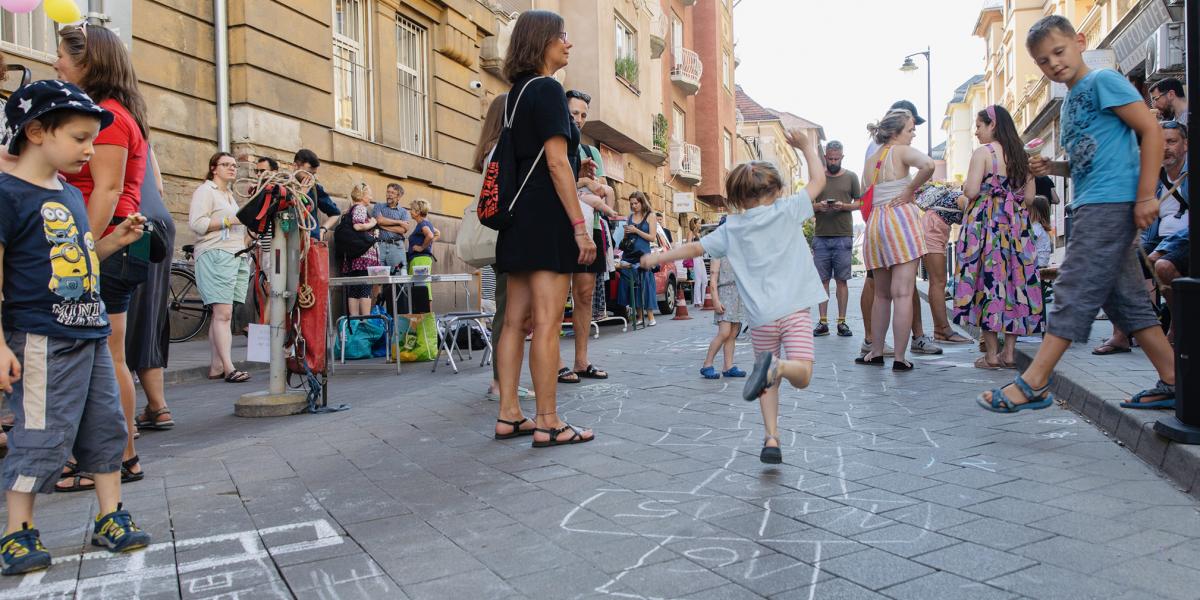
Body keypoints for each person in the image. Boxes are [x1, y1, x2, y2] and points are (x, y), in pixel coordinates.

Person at [980, 15, 1174, 412]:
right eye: (1043, 60)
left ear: (1080, 42)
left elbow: (1151, 130)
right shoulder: (1069, 102)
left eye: (1059, 51)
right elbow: (1090, 162)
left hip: (1109, 205)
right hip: (1092, 204)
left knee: (1072, 290)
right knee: (1126, 303)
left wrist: (1144, 197)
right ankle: (1175, 381)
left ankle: (1034, 382)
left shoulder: (1103, 81)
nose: (1053, 63)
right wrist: (1052, 167)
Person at [0, 80, 153, 575]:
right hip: (41, 336)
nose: (90, 150)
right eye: (80, 137)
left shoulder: (66, 191)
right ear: (37, 132)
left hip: (89, 331)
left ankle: (110, 516)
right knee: (40, 432)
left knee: (106, 427)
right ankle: (18, 531)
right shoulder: (7, 194)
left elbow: (79, 258)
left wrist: (114, 241)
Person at [643, 129, 825, 464]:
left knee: (766, 383)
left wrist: (658, 256)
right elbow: (818, 181)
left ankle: (771, 438)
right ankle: (779, 368)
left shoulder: (731, 228)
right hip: (794, 310)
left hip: (761, 317)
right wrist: (805, 147)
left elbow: (695, 248)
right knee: (802, 374)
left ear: (738, 198)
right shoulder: (788, 210)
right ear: (777, 190)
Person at [492, 10, 596, 447]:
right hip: (547, 216)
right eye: (562, 36)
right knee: (548, 322)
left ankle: (509, 414)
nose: (568, 43)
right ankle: (548, 421)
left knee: (514, 322)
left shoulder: (514, 95)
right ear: (542, 41)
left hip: (516, 218)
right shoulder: (549, 89)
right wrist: (579, 227)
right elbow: (556, 163)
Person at [56, 24, 150, 485]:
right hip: (116, 242)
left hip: (111, 241)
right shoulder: (115, 111)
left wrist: (82, 251)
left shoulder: (109, 115)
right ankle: (114, 455)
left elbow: (108, 190)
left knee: (108, 355)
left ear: (88, 62)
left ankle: (119, 457)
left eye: (63, 55)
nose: (56, 62)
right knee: (106, 355)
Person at [953, 105, 1044, 370]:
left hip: (987, 227)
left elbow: (971, 191)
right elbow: (1029, 199)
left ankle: (992, 355)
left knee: (987, 282)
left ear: (992, 124)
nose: (976, 131)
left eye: (979, 126)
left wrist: (965, 191)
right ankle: (1010, 354)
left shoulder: (984, 153)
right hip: (1016, 228)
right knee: (1015, 284)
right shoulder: (1022, 157)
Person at [1094, 119, 1188, 353]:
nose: (1165, 148)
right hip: (1159, 240)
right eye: (1160, 142)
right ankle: (1121, 335)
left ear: (1185, 144)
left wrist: (1164, 248)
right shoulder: (1155, 175)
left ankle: (1176, 329)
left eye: (1172, 142)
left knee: (1163, 266)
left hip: (1186, 241)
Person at [858, 109, 936, 371]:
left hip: (875, 224)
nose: (913, 135)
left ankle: (876, 351)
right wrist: (910, 189)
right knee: (902, 293)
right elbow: (929, 165)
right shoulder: (900, 151)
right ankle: (901, 357)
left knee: (881, 295)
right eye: (910, 129)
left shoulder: (871, 159)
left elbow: (865, 192)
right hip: (899, 220)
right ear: (895, 132)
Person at [473, 94, 536, 403]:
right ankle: (501, 382)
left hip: (500, 238)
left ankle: (502, 380)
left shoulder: (490, 149)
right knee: (509, 314)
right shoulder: (500, 149)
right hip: (506, 238)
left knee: (508, 311)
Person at [558, 88, 616, 384]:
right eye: (573, 114)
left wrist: (595, 186)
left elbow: (602, 188)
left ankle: (581, 361)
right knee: (556, 298)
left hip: (590, 227)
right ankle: (556, 362)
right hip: (561, 226)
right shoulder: (555, 143)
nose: (579, 120)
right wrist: (582, 182)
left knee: (584, 294)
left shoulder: (590, 151)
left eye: (583, 115)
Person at [189, 152, 252, 383]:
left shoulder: (229, 195)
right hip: (215, 253)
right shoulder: (206, 191)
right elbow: (197, 224)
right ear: (213, 168)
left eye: (234, 165)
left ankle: (216, 365)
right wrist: (229, 221)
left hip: (234, 254)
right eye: (226, 165)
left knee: (223, 313)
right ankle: (228, 367)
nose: (232, 168)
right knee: (223, 314)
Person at [128, 150, 176, 431]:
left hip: (130, 223)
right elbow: (158, 186)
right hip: (158, 225)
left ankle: (122, 419)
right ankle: (158, 407)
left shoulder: (102, 128)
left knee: (121, 318)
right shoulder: (143, 138)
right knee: (149, 315)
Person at [811, 140, 860, 337]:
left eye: (836, 159)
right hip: (821, 236)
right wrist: (819, 206)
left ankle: (842, 322)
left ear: (842, 157)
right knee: (822, 281)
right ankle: (823, 322)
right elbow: (806, 203)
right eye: (830, 159)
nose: (833, 162)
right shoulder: (817, 178)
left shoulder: (851, 177)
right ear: (825, 157)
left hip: (843, 236)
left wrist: (844, 206)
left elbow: (860, 202)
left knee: (842, 281)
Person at [699, 217, 746, 380]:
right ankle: (707, 364)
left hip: (738, 295)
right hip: (724, 294)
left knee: (733, 333)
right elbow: (713, 278)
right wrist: (715, 300)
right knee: (724, 332)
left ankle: (728, 366)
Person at [618, 191, 659, 327]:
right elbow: (626, 239)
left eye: (636, 203)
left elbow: (652, 237)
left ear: (642, 202)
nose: (633, 206)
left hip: (643, 255)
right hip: (630, 255)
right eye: (631, 204)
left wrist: (636, 231)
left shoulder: (650, 216)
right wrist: (626, 233)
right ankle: (639, 316)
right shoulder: (629, 217)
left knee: (645, 284)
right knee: (631, 283)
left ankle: (651, 316)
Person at [342, 183, 381, 317]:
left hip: (355, 257)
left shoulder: (351, 209)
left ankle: (354, 321)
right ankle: (365, 320)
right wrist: (372, 223)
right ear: (362, 195)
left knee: (354, 289)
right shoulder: (360, 208)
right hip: (364, 257)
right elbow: (358, 226)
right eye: (369, 194)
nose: (371, 197)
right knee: (365, 288)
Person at [293, 149, 341, 239]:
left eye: (313, 174)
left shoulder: (315, 188)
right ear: (295, 166)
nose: (311, 177)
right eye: (308, 173)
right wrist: (301, 194)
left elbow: (335, 213)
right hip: (289, 240)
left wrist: (323, 229)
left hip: (311, 240)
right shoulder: (284, 187)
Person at [373, 183, 412, 275]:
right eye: (388, 192)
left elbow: (403, 230)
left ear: (399, 197)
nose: (389, 195)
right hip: (380, 246)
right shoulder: (378, 206)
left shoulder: (404, 212)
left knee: (399, 276)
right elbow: (379, 220)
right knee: (378, 277)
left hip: (397, 247)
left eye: (392, 193)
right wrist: (399, 222)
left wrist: (383, 225)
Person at [1029, 195, 1053, 268]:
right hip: (1042, 262)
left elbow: (1027, 242)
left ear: (1033, 211)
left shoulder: (1035, 227)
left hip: (1037, 263)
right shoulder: (1041, 228)